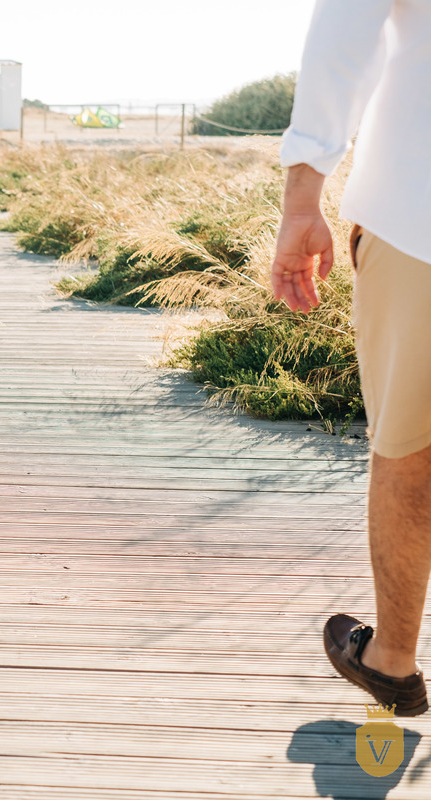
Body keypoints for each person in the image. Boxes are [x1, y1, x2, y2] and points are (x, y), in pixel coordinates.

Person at [272, 0, 431, 716]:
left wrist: (303, 197)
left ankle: (392, 659)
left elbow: (346, 34)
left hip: (417, 214)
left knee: (412, 448)